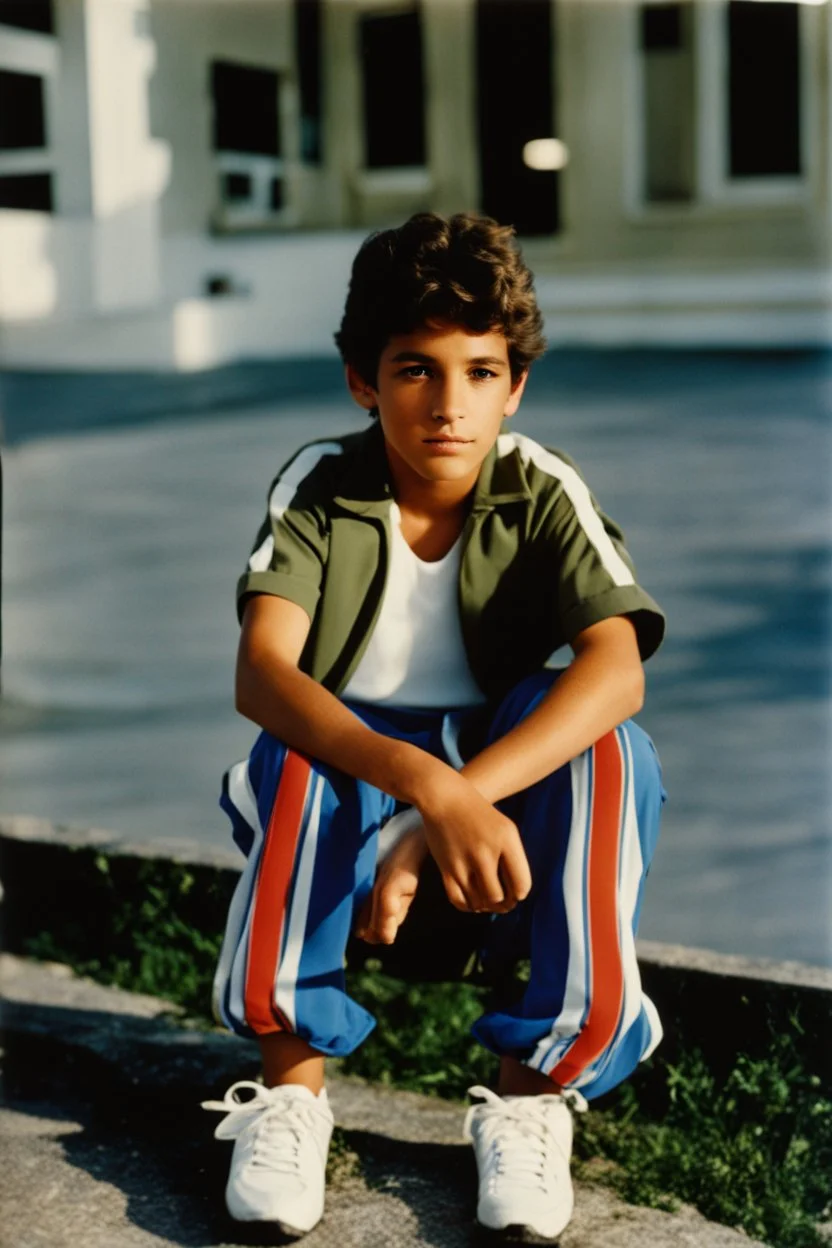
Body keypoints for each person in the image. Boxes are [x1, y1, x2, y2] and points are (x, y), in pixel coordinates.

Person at [201, 211, 666, 1241]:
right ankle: (290, 1094)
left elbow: (617, 667)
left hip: (491, 834)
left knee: (605, 747)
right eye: (415, 371)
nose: (449, 407)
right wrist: (427, 790)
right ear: (363, 380)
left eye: (480, 372)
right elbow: (263, 671)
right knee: (303, 746)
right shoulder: (321, 485)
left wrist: (461, 799)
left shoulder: (541, 487)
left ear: (515, 385)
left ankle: (531, 1099)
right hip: (340, 812)